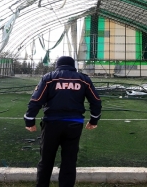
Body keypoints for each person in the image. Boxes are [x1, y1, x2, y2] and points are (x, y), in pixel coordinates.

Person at [24, 56, 102, 187]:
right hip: (74, 125)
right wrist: (94, 120)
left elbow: (36, 100)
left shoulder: (49, 78)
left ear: (57, 65)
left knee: (46, 160)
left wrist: (29, 120)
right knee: (69, 161)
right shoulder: (83, 79)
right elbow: (96, 101)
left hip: (51, 124)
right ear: (73, 65)